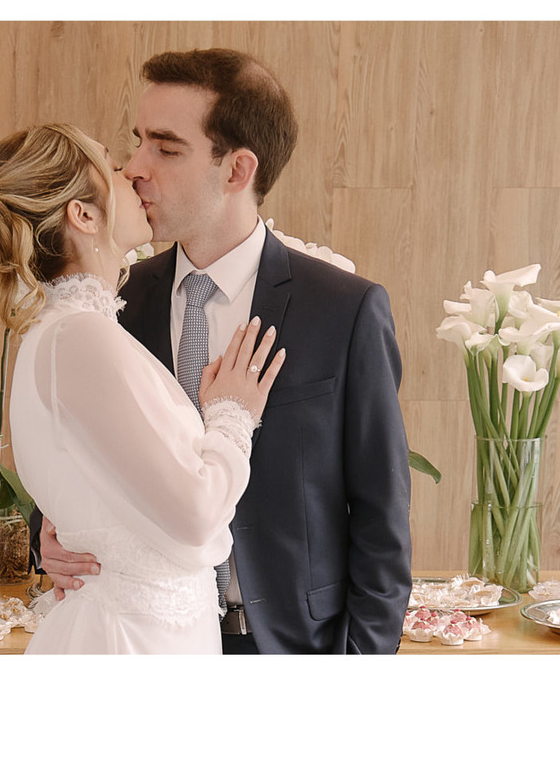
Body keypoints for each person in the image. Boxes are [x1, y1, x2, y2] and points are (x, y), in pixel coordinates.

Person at [40, 48, 412, 654]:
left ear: (237, 170)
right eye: (137, 141)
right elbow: (72, 463)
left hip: (291, 651)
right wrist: (50, 533)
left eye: (165, 146)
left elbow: (383, 520)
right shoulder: (113, 309)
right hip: (144, 645)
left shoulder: (343, 310)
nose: (134, 167)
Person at [0, 121, 286, 654]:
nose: (136, 174)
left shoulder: (76, 331)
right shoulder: (77, 336)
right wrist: (232, 415)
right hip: (128, 644)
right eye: (117, 168)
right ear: (83, 214)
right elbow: (195, 516)